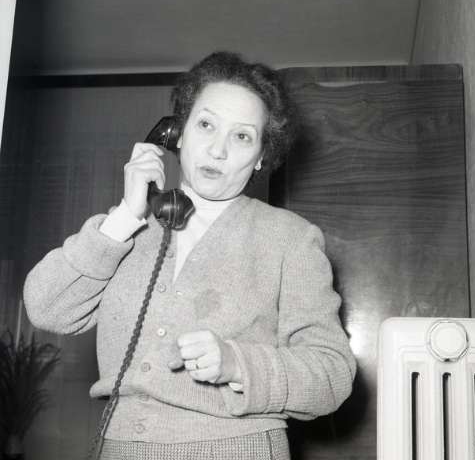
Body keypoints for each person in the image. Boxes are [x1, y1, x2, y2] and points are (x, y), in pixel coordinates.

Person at [23, 51, 356, 460]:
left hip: (236, 449)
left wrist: (237, 364)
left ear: (261, 157)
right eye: (205, 125)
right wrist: (126, 216)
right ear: (177, 134)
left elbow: (332, 374)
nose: (217, 150)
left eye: (242, 136)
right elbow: (46, 307)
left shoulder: (291, 239)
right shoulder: (129, 225)